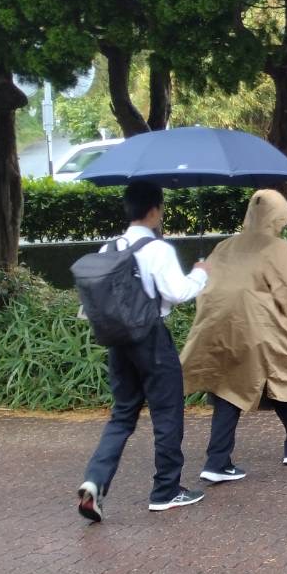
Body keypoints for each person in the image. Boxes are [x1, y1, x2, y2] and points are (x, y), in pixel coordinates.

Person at [77, 182, 210, 521]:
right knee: (167, 414)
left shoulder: (111, 247)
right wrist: (200, 274)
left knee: (122, 415)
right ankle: (166, 490)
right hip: (151, 339)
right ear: (154, 210)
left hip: (118, 342)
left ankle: (94, 481)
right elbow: (177, 292)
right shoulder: (157, 249)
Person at [180, 189, 287, 483]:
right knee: (281, 378)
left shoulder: (224, 246)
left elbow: (206, 287)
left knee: (227, 387)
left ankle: (218, 460)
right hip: (261, 325)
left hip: (216, 324)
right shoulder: (279, 249)